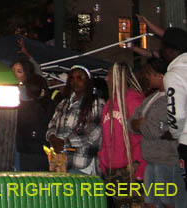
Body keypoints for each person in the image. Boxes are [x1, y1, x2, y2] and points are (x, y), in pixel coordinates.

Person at [131, 58, 187, 208]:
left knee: (169, 202)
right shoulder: (150, 99)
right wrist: (142, 124)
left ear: (161, 76)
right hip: (150, 160)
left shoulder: (170, 99)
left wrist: (143, 124)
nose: (146, 77)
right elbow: (132, 124)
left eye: (149, 74)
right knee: (150, 202)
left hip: (167, 160)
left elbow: (155, 131)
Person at [99, 62, 146, 205]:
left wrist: (139, 169)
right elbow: (106, 138)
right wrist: (103, 164)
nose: (106, 79)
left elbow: (142, 137)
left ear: (119, 78)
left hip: (130, 169)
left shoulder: (134, 101)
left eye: (109, 75)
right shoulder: (109, 103)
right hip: (112, 170)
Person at [46, 65, 104, 174]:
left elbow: (92, 133)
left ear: (88, 81)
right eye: (72, 78)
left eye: (80, 77)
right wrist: (52, 137)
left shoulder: (97, 104)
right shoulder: (64, 103)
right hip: (60, 163)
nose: (75, 81)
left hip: (82, 164)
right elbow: (52, 125)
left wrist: (65, 142)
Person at [12, 58, 53, 171]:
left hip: (31, 147)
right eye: (13, 70)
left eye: (19, 71)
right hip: (16, 144)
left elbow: (29, 118)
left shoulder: (31, 92)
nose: (14, 74)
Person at [161, 27, 187, 188]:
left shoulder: (175, 74)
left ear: (171, 51)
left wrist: (173, 133)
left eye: (163, 49)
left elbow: (176, 114)